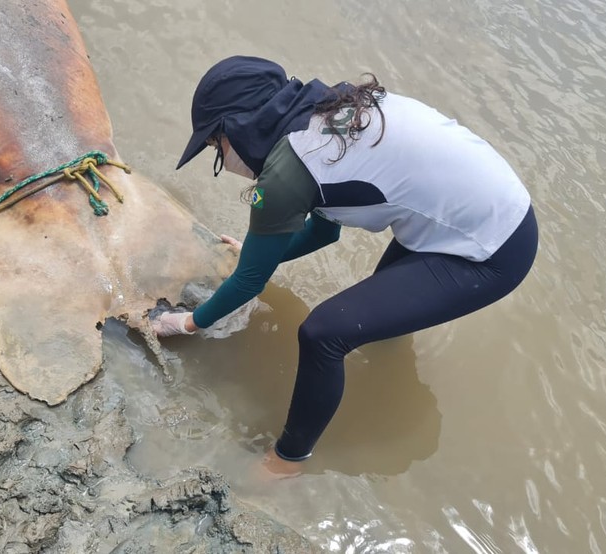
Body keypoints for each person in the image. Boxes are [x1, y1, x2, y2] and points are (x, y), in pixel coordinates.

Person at [152, 55, 538, 474]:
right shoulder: (322, 112)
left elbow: (250, 281)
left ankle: (287, 461)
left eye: (215, 145)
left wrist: (187, 323)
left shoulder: (286, 173)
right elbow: (323, 230)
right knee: (375, 320)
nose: (220, 158)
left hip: (491, 252)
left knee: (325, 333)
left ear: (239, 128)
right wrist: (256, 247)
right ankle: (387, 375)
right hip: (485, 213)